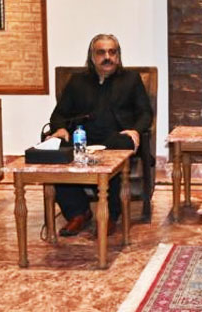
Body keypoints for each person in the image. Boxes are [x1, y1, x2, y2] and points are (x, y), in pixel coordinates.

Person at [46, 34, 153, 237]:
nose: (107, 57)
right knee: (57, 150)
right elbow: (59, 114)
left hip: (115, 138)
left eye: (112, 52)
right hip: (82, 139)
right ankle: (78, 213)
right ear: (92, 56)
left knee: (119, 147)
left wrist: (136, 130)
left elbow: (145, 112)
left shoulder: (131, 79)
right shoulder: (78, 82)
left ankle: (111, 216)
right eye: (101, 52)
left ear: (118, 56)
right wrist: (59, 129)